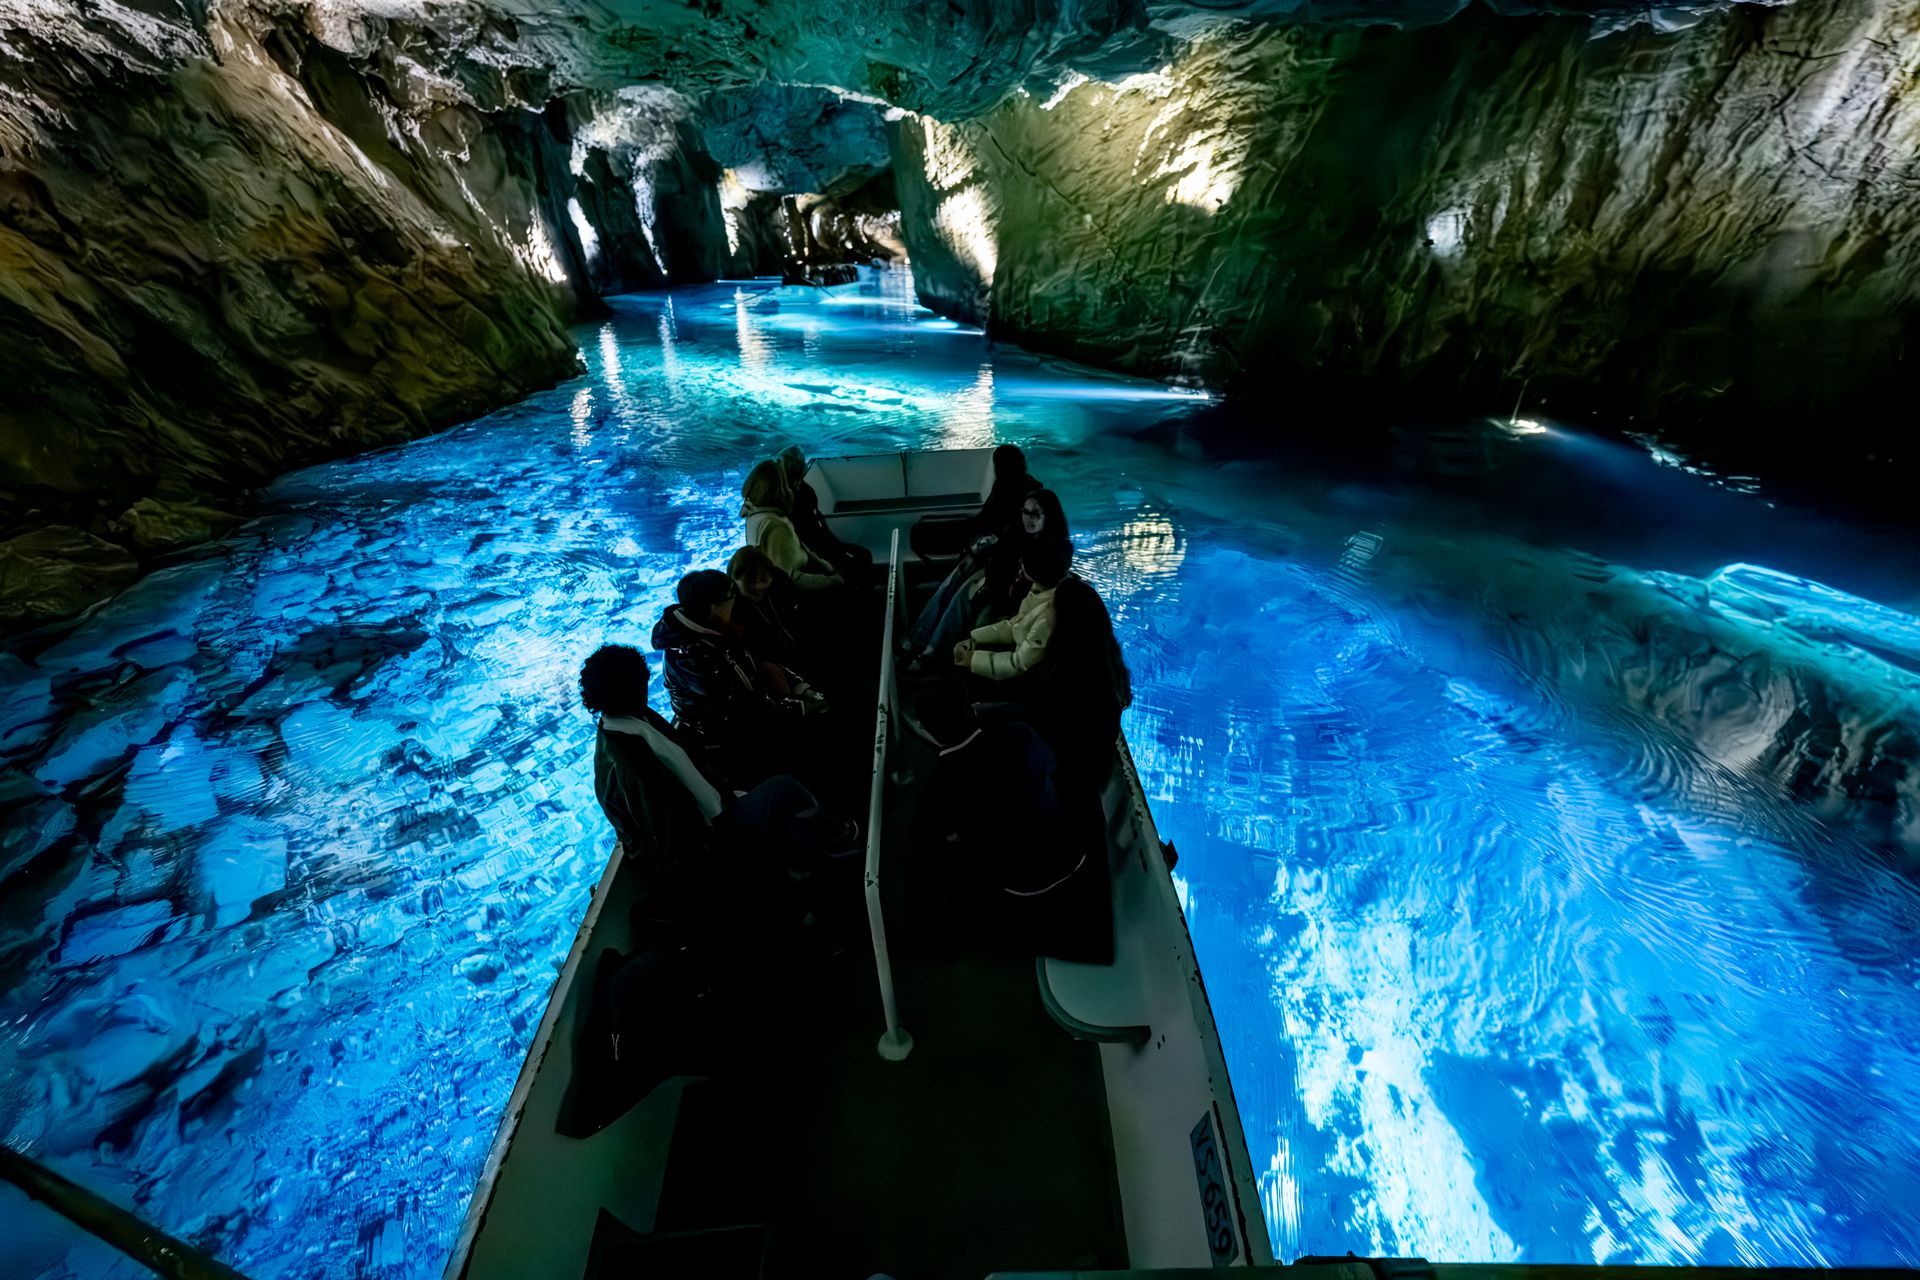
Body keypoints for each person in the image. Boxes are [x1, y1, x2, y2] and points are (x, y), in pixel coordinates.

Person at [577, 643, 858, 918]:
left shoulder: (625, 725)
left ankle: (815, 851)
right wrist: (723, 842)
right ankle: (826, 851)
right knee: (783, 788)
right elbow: (667, 834)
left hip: (712, 815)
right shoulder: (629, 761)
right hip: (707, 840)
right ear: (633, 688)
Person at [652, 569, 821, 781]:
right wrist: (801, 707)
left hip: (748, 719)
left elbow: (758, 661)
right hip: (726, 742)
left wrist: (799, 686)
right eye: (732, 596)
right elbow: (744, 711)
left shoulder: (715, 630)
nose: (736, 600)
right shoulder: (695, 659)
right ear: (714, 607)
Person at [909, 487, 1070, 663]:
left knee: (965, 597)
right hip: (1000, 583)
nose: (1029, 518)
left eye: (1036, 514)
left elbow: (1043, 582)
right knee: (960, 583)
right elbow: (999, 563)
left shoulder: (1058, 548)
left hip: (1021, 596)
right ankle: (922, 641)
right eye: (1025, 512)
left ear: (1049, 515)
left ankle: (932, 651)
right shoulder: (1014, 533)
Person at [1021, 574, 1132, 799]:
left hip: (1058, 779)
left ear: (1066, 620)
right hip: (1078, 775)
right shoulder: (1102, 663)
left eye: (1051, 607)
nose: (1045, 611)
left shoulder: (1068, 675)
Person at [955, 536, 1073, 682]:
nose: (1020, 562)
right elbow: (1015, 626)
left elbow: (1019, 664)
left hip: (1029, 679)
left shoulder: (1051, 612)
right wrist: (974, 638)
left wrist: (972, 660)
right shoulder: (1042, 588)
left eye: (1026, 560)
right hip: (1020, 657)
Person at [909, 443, 1041, 560]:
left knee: (921, 533)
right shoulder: (1023, 486)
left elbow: (990, 521)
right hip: (986, 533)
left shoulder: (1006, 487)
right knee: (924, 532)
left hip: (986, 537)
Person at [741, 460, 843, 593]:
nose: (794, 489)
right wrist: (832, 582)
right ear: (779, 490)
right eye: (788, 485)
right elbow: (791, 578)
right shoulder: (775, 526)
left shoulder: (754, 515)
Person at [776, 445, 872, 580]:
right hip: (817, 549)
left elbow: (816, 524)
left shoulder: (797, 490)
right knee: (863, 556)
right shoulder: (800, 495)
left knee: (862, 555)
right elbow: (811, 532)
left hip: (821, 544)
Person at [727, 545, 803, 670]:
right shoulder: (733, 608)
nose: (758, 588)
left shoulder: (779, 581)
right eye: (750, 584)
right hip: (775, 665)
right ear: (734, 580)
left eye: (764, 580)